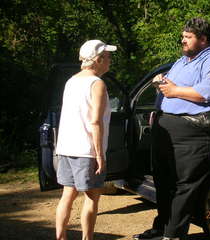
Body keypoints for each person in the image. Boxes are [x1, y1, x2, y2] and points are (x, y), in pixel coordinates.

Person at [133, 18, 210, 240]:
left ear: (203, 39)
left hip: (195, 131)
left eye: (188, 37)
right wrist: (162, 82)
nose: (183, 40)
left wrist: (175, 90)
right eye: (183, 36)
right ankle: (161, 227)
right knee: (164, 182)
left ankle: (173, 234)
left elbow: (207, 92)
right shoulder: (182, 61)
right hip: (167, 129)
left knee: (185, 184)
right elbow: (171, 87)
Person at [55, 39, 117, 240]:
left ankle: (61, 237)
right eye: (107, 57)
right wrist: (99, 155)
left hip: (66, 148)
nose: (110, 61)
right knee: (91, 199)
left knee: (67, 196)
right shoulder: (97, 84)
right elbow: (95, 122)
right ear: (98, 60)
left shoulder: (71, 81)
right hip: (86, 151)